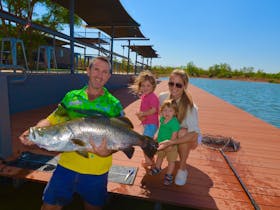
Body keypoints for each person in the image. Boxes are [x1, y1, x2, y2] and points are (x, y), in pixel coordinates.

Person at [19, 56, 124, 210]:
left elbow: (121, 136)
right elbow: (52, 119)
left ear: (108, 76)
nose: (99, 75)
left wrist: (108, 151)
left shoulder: (114, 104)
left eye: (105, 72)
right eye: (96, 69)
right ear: (88, 71)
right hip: (66, 166)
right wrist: (34, 131)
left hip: (97, 171)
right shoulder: (71, 97)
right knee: (49, 207)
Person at [158, 69, 201, 186]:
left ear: (185, 86)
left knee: (182, 132)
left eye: (178, 85)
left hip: (191, 135)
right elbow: (160, 120)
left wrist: (171, 142)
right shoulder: (162, 98)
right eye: (171, 83)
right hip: (171, 132)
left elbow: (194, 134)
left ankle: (182, 169)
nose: (174, 88)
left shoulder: (191, 107)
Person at [129, 70, 159, 168]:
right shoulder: (145, 96)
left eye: (148, 86)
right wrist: (141, 116)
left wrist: (143, 113)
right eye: (143, 85)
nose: (145, 88)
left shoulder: (153, 97)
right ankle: (151, 159)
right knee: (148, 143)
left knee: (144, 143)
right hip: (147, 124)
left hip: (151, 125)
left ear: (153, 86)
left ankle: (148, 162)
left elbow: (154, 110)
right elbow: (146, 110)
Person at [149, 99, 180, 186]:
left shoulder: (174, 123)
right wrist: (156, 136)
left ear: (175, 112)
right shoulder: (162, 119)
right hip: (161, 143)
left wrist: (170, 144)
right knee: (160, 156)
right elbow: (160, 129)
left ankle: (169, 175)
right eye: (165, 110)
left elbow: (174, 135)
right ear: (162, 111)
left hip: (171, 146)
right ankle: (158, 168)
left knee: (171, 161)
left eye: (170, 111)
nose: (167, 113)